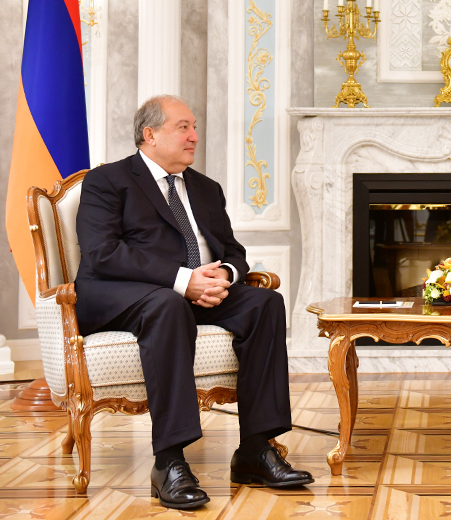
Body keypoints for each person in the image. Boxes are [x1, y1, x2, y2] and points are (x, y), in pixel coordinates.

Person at [75, 95, 312, 509]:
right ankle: (169, 461)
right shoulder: (107, 181)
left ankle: (256, 450)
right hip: (123, 294)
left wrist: (225, 275)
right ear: (149, 134)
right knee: (167, 305)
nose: (194, 136)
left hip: (198, 289)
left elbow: (233, 251)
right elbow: (103, 254)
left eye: (195, 127)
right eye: (183, 127)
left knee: (265, 304)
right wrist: (183, 281)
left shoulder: (205, 188)